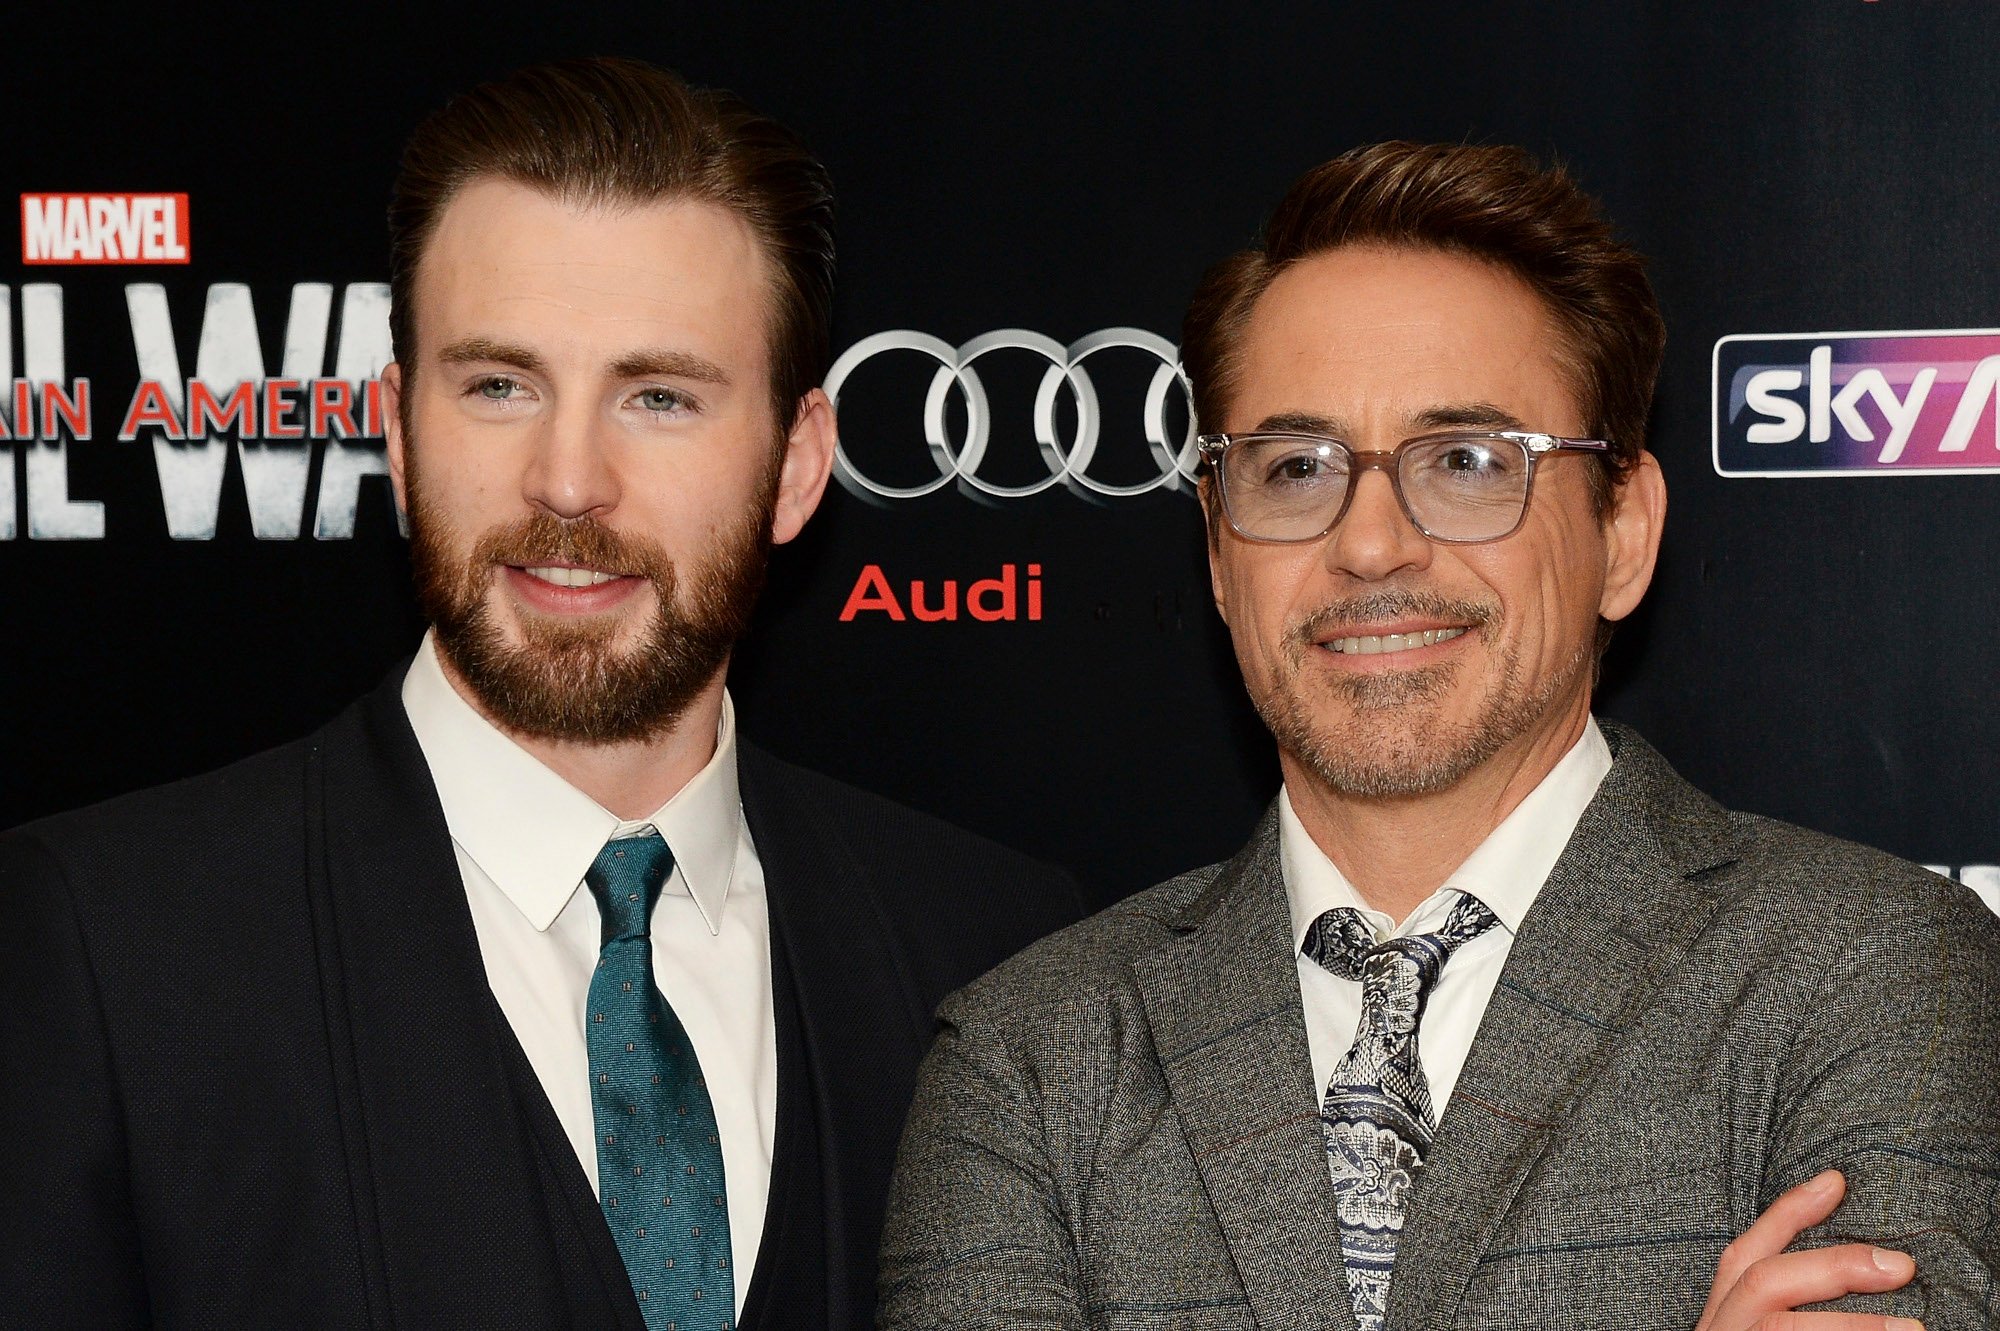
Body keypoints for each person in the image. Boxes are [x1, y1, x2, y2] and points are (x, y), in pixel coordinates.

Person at [0, 58, 1082, 1330]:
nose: (568, 480)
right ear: (398, 432)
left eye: (659, 396)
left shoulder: (1001, 958)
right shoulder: (107, 949)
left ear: (795, 467)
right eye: (499, 385)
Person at [877, 142, 2000, 1329]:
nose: (1370, 543)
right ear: (1215, 548)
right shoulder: (1030, 1058)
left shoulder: (1869, 970)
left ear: (1622, 530)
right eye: (1294, 466)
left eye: (1466, 462)